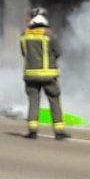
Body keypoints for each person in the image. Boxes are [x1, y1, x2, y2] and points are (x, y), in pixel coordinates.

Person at [19, 11, 69, 140]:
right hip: (48, 76)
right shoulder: (49, 35)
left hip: (30, 75)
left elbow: (24, 53)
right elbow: (58, 52)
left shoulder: (24, 36)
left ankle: (32, 131)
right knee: (54, 101)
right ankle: (59, 132)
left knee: (34, 102)